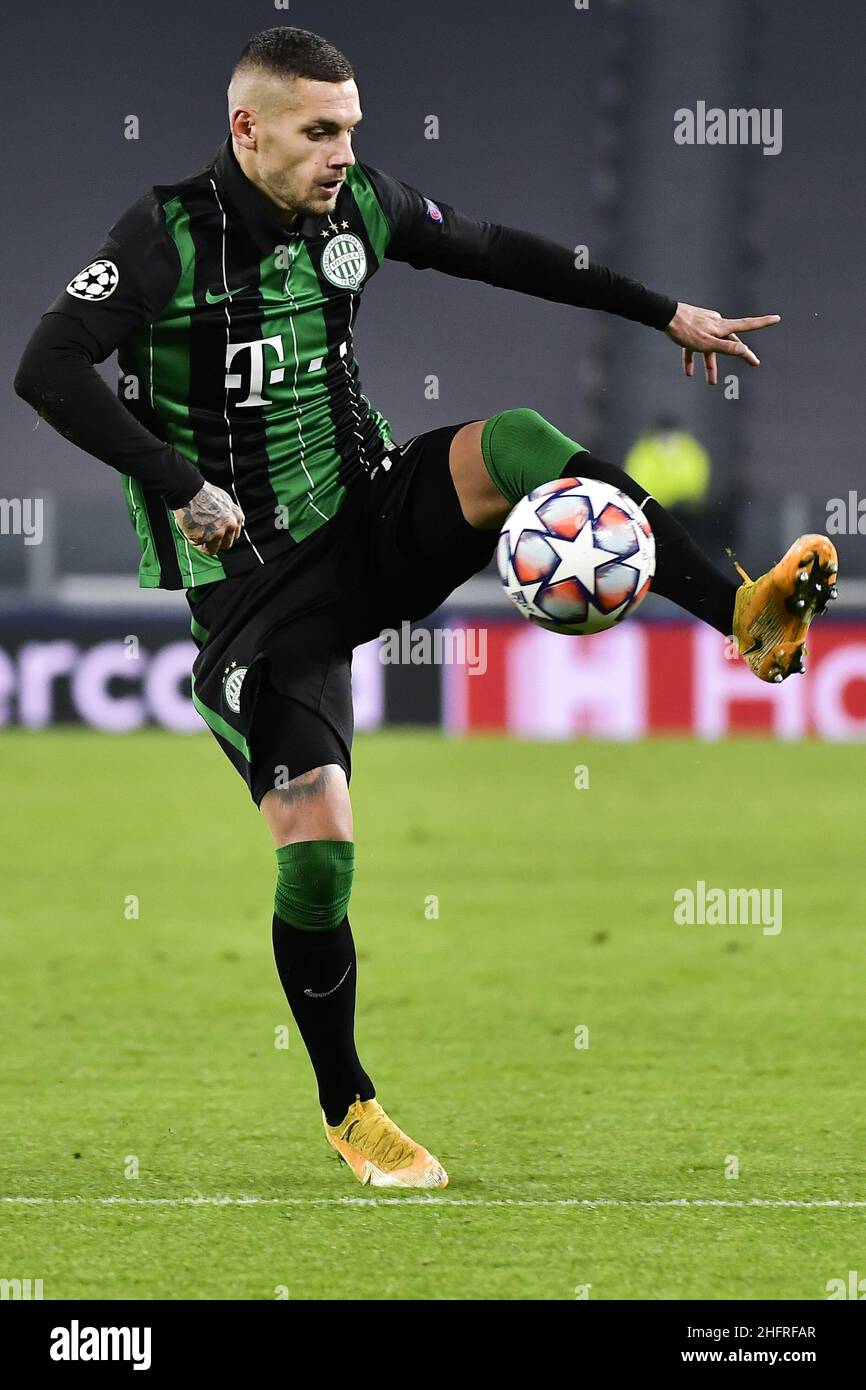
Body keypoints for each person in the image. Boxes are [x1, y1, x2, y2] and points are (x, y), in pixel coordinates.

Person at [14, 26, 837, 1189]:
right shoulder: (166, 238)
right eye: (318, 131)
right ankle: (348, 1104)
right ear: (247, 130)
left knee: (516, 441)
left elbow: (500, 251)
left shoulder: (358, 210)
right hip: (251, 589)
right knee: (319, 855)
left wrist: (664, 314)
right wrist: (180, 484)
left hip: (368, 518)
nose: (343, 152)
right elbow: (46, 368)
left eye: (350, 127)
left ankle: (744, 616)